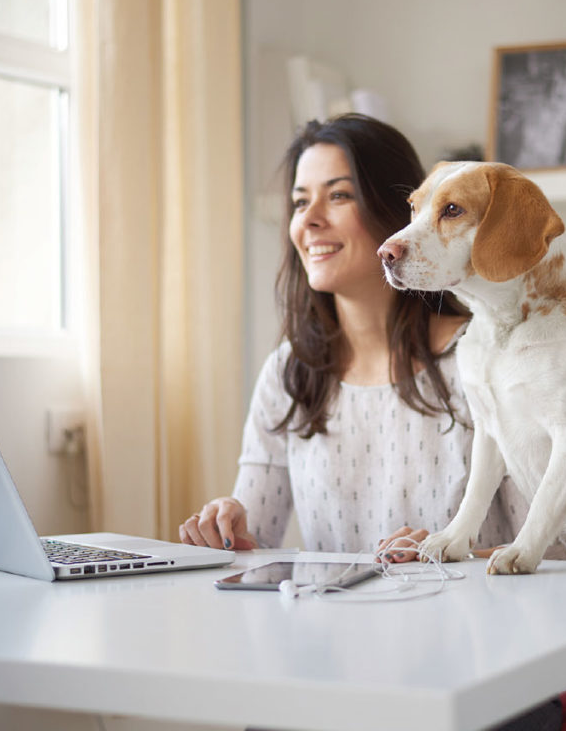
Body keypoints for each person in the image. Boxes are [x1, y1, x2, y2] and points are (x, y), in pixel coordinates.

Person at [178, 112, 528, 561]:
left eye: (339, 195)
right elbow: (254, 544)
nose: (310, 221)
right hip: (330, 630)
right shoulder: (289, 372)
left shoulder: (488, 361)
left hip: (472, 627)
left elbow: (550, 553)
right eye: (301, 202)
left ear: (398, 213)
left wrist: (444, 551)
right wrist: (226, 527)